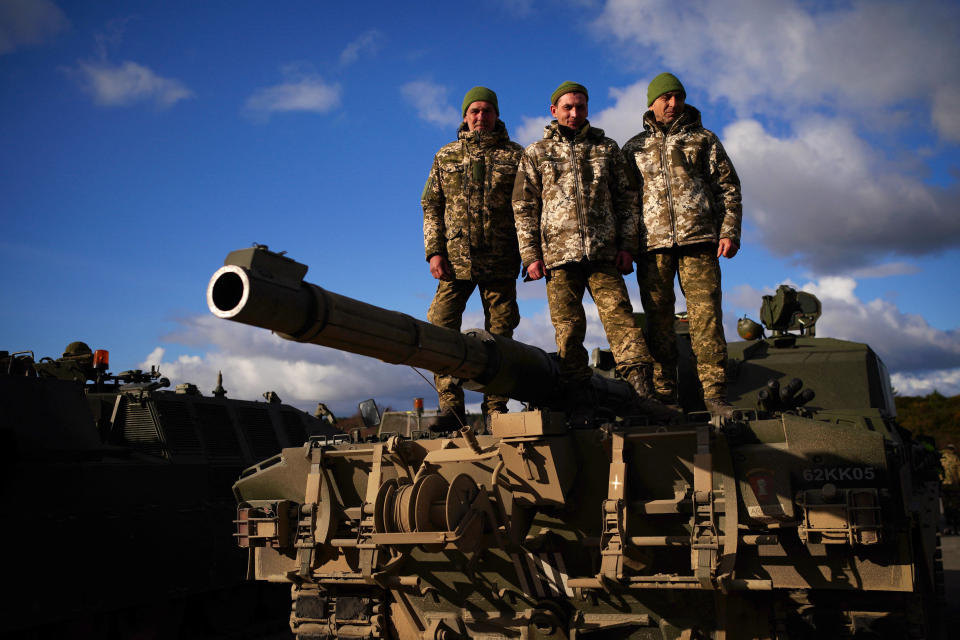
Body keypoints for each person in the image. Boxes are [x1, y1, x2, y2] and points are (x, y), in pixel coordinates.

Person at [513, 81, 673, 419]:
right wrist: (531, 256)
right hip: (558, 258)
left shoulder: (607, 148)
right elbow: (524, 207)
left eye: (580, 107)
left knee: (622, 321)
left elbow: (627, 200)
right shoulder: (536, 152)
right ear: (554, 110)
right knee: (568, 330)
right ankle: (579, 400)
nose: (574, 113)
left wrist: (627, 246)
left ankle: (642, 392)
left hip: (604, 255)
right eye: (568, 107)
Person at [622, 73, 742, 418]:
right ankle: (664, 396)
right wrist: (629, 246)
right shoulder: (634, 148)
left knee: (705, 319)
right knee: (658, 322)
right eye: (666, 98)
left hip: (700, 241)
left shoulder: (704, 140)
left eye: (678, 97)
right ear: (652, 104)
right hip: (653, 246)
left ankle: (715, 395)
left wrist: (729, 230)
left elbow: (728, 188)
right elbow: (628, 202)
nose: (673, 104)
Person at [422, 86, 524, 426]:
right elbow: (432, 206)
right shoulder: (446, 155)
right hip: (455, 261)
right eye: (474, 111)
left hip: (501, 259)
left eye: (487, 111)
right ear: (465, 116)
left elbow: (528, 207)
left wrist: (530, 251)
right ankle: (451, 406)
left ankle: (496, 408)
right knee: (441, 327)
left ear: (496, 115)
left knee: (501, 334)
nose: (481, 117)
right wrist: (434, 251)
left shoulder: (516, 156)